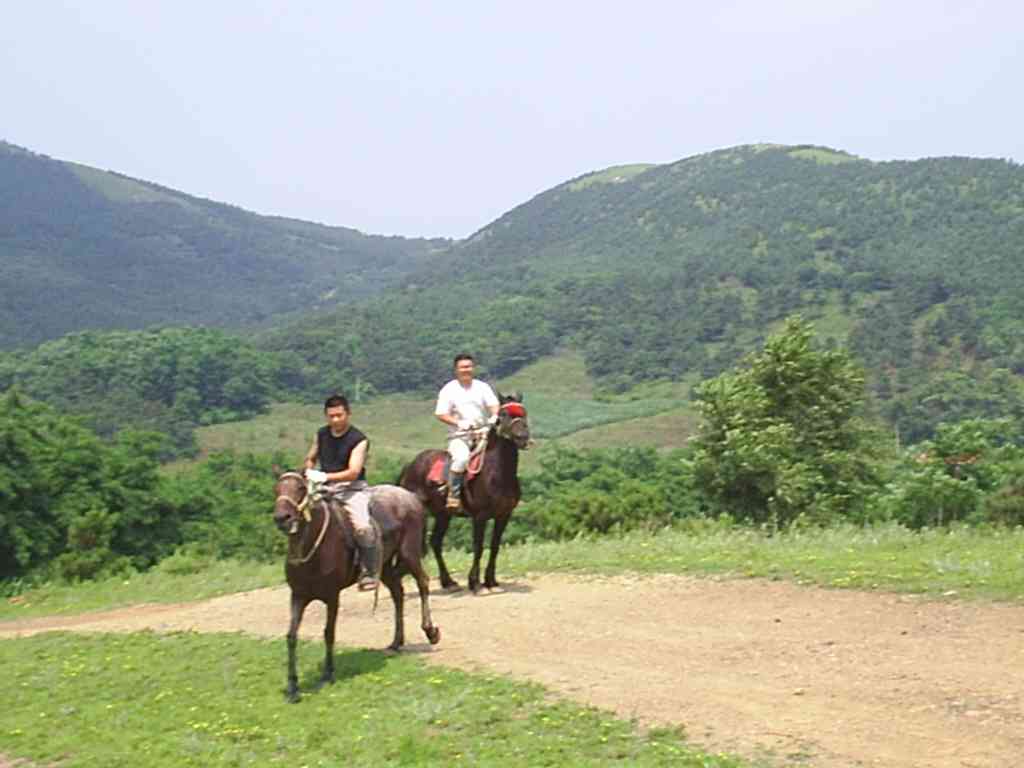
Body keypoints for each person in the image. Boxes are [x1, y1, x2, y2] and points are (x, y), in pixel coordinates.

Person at [304, 393, 378, 590]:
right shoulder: (321, 434)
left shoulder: (358, 439)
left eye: (339, 415)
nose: (335, 420)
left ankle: (369, 571)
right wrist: (309, 471)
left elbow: (353, 472)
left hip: (352, 489)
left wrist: (325, 476)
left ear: (348, 414)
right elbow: (311, 457)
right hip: (324, 488)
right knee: (301, 517)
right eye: (331, 416)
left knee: (362, 527)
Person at [434, 354, 500, 510]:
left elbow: (493, 404)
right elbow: (441, 413)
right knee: (462, 459)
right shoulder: (449, 389)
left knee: (500, 457)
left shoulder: (482, 387)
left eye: (469, 366)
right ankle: (453, 495)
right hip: (460, 436)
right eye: (463, 367)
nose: (466, 370)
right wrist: (459, 423)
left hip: (483, 434)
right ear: (456, 370)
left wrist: (494, 417)